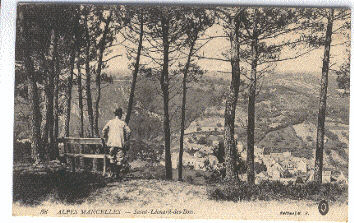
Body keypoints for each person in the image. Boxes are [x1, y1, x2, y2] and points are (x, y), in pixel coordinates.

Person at [102, 107, 131, 179]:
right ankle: (117, 175)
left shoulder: (110, 122)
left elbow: (104, 130)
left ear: (115, 114)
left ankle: (112, 174)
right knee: (119, 159)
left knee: (112, 158)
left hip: (111, 143)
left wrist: (106, 137)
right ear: (120, 114)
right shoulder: (122, 123)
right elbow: (129, 131)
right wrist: (126, 139)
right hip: (119, 144)